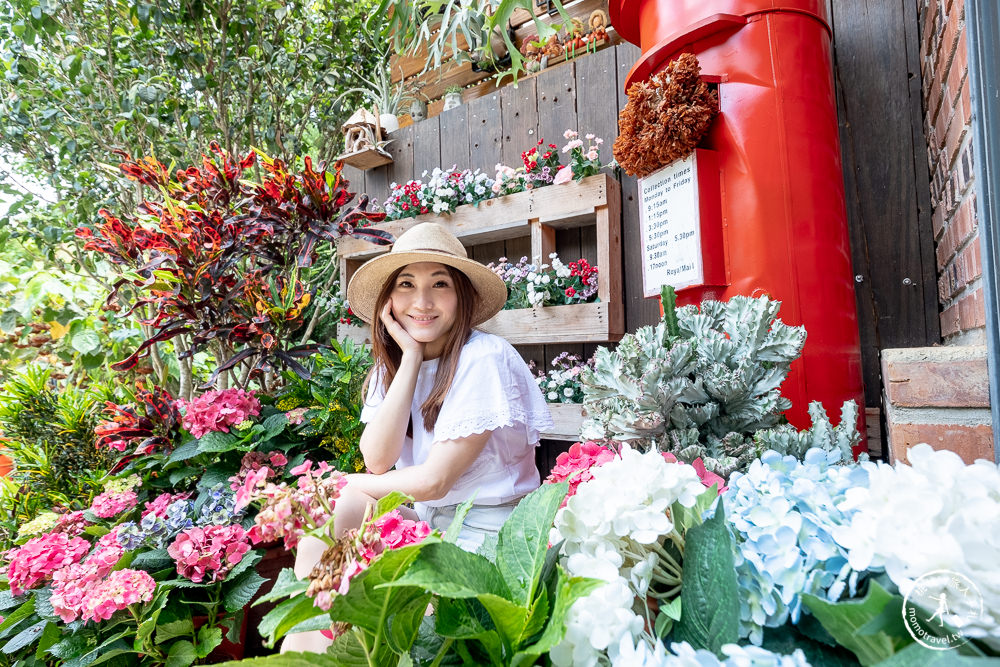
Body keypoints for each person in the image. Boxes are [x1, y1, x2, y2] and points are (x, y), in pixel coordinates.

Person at [282, 222, 553, 652]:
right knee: (340, 507)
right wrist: (408, 358)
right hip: (432, 527)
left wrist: (340, 483)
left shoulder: (483, 357)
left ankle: (333, 642)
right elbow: (377, 459)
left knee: (343, 495)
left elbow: (434, 482)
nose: (421, 302)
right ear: (389, 299)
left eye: (439, 284)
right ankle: (310, 635)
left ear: (461, 295)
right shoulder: (391, 366)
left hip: (489, 538)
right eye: (406, 284)